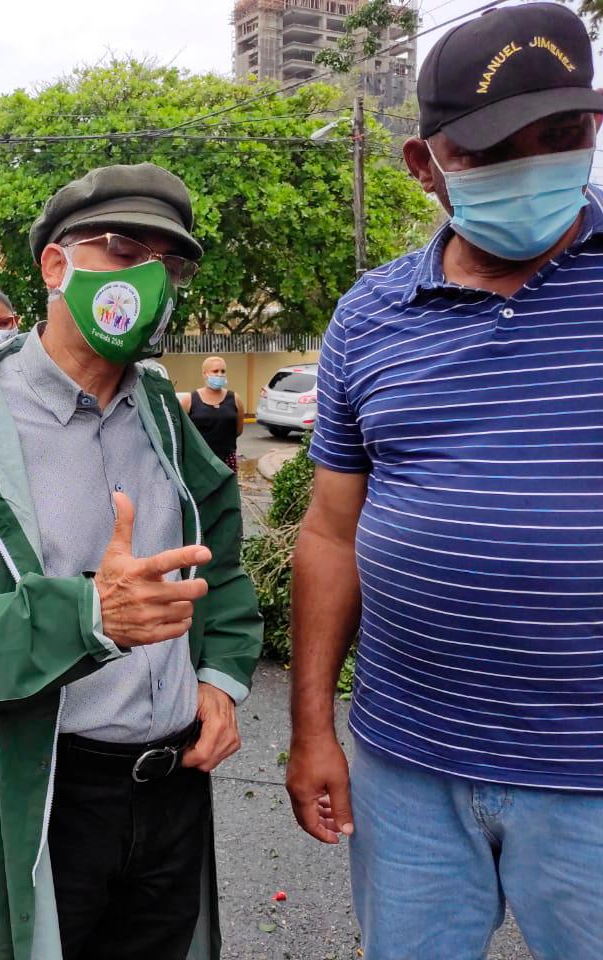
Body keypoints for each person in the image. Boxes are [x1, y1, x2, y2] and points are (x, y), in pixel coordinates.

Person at [0, 163, 263, 960]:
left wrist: (220, 681)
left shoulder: (161, 408)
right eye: (124, 251)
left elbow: (218, 552)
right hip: (49, 787)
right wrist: (83, 613)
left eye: (169, 263)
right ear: (57, 266)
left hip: (172, 786)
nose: (148, 280)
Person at [286, 6, 603, 958]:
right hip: (407, 770)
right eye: (498, 145)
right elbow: (328, 534)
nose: (538, 163)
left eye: (564, 134)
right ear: (425, 165)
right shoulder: (372, 315)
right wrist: (312, 729)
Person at [180, 356, 244, 471]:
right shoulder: (189, 400)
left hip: (227, 460)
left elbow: (238, 430)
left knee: (227, 489)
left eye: (223, 371)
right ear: (205, 374)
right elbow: (181, 432)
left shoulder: (235, 399)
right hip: (199, 461)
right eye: (215, 371)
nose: (219, 374)